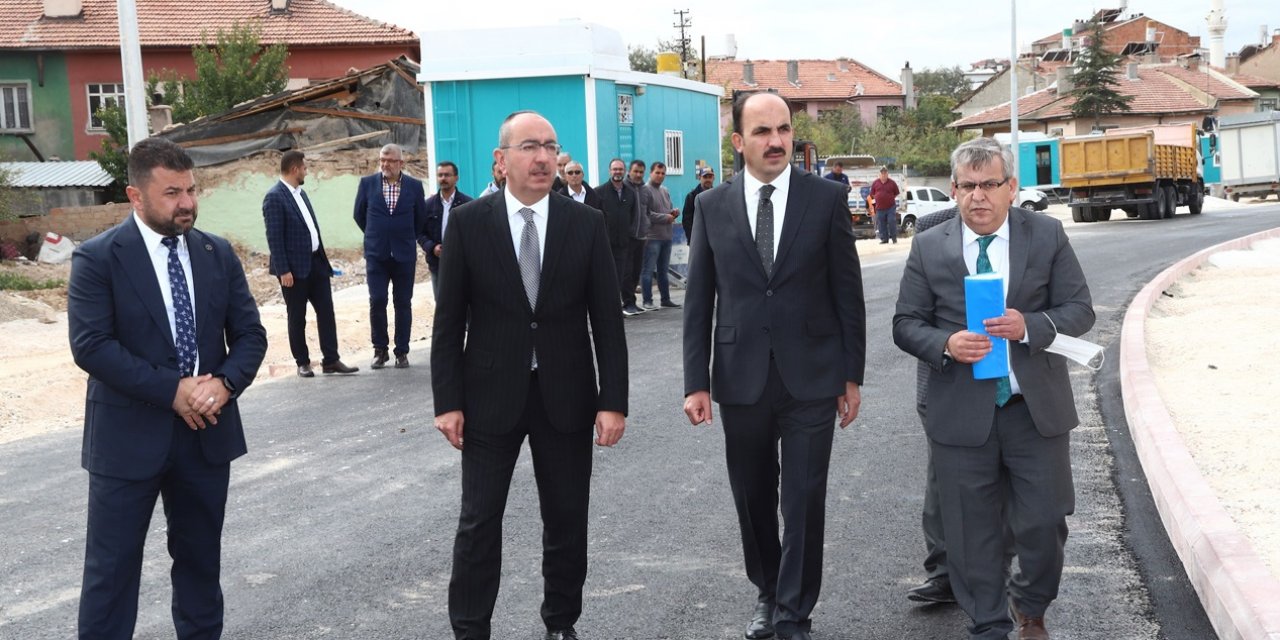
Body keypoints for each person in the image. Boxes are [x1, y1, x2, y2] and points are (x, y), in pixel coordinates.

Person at [432, 110, 628, 640]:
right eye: (529, 147)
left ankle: (561, 624)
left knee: (566, 519)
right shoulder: (470, 224)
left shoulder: (585, 224)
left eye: (550, 146)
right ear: (502, 160)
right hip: (489, 397)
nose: (543, 157)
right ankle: (470, 628)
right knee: (478, 522)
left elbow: (608, 321)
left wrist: (614, 400)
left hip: (566, 396)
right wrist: (446, 401)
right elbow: (448, 322)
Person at [893, 137, 1094, 640]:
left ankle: (1031, 606)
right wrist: (946, 343)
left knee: (1045, 521)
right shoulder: (929, 243)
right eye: (966, 186)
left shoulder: (1046, 235)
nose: (977, 197)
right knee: (968, 530)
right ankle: (988, 622)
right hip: (961, 412)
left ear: (1011, 187)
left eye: (988, 185)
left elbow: (1080, 311)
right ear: (954, 190)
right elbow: (905, 323)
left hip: (1034, 410)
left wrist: (1029, 325)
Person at [683, 91, 866, 640]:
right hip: (740, 378)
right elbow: (699, 301)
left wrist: (851, 375)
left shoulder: (825, 199)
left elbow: (847, 294)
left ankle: (794, 613)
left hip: (811, 375)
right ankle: (767, 589)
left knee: (805, 498)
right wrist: (697, 382)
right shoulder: (712, 206)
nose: (776, 141)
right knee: (753, 496)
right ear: (739, 142)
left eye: (783, 130)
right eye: (762, 131)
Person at [68, 137, 268, 640]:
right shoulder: (97, 259)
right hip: (127, 439)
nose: (187, 203)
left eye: (192, 190)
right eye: (172, 192)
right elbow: (91, 346)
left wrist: (223, 385)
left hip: (205, 435)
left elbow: (250, 335)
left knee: (201, 566)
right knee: (111, 575)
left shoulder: (216, 253)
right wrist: (173, 391)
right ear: (136, 196)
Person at [263, 150, 358, 377]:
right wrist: (283, 269)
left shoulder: (301, 193)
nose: (306, 171)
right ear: (295, 169)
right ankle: (302, 362)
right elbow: (274, 237)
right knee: (297, 316)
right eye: (304, 168)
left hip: (316, 263)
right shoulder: (274, 196)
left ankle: (331, 360)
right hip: (293, 270)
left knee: (326, 312)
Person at [353, 143, 428, 369]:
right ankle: (380, 350)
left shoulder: (414, 186)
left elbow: (420, 219)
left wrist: (403, 237)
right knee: (377, 300)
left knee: (402, 303)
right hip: (377, 254)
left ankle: (401, 351)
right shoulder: (367, 184)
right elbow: (359, 215)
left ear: (400, 163)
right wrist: (377, 235)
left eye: (390, 160)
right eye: (382, 160)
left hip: (404, 254)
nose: (385, 164)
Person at [419, 161, 473, 300]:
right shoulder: (428, 205)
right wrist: (432, 247)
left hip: (462, 264)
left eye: (447, 175)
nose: (443, 178)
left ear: (456, 178)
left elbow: (475, 233)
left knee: (464, 304)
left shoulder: (468, 204)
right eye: (440, 175)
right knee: (442, 305)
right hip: (438, 264)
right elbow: (419, 232)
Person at [597, 159, 640, 315]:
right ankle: (604, 308)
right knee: (604, 278)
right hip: (604, 244)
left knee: (619, 278)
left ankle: (615, 308)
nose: (617, 172)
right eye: (615, 169)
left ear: (625, 171)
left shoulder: (630, 193)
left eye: (620, 169)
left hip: (623, 244)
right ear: (609, 171)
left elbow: (633, 215)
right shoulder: (599, 192)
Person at [640, 161, 679, 309]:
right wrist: (666, 217)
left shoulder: (665, 190)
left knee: (663, 271)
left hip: (667, 236)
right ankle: (647, 301)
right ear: (651, 173)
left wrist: (673, 213)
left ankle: (665, 299)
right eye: (657, 172)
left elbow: (667, 210)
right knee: (648, 270)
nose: (660, 176)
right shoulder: (645, 190)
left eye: (663, 173)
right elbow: (646, 214)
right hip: (652, 238)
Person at [622, 160, 652, 316]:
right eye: (636, 171)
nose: (638, 174)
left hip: (641, 236)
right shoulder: (623, 188)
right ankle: (627, 303)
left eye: (641, 172)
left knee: (636, 271)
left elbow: (648, 211)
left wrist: (646, 228)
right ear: (629, 171)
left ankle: (632, 300)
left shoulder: (646, 190)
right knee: (626, 271)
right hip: (627, 237)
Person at [682, 166, 715, 242]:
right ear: (699, 178)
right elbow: (687, 221)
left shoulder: (718, 195)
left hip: (714, 240)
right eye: (705, 177)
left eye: (710, 177)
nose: (707, 179)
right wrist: (692, 239)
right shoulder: (691, 197)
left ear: (713, 178)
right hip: (697, 240)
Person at [870, 166, 901, 244]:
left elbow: (896, 193)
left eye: (885, 173)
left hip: (890, 207)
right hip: (880, 207)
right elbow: (872, 194)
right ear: (879, 175)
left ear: (887, 174)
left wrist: (889, 198)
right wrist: (879, 198)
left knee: (891, 221)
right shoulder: (875, 183)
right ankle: (884, 239)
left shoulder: (892, 182)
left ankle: (894, 238)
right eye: (882, 173)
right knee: (881, 223)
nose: (883, 175)